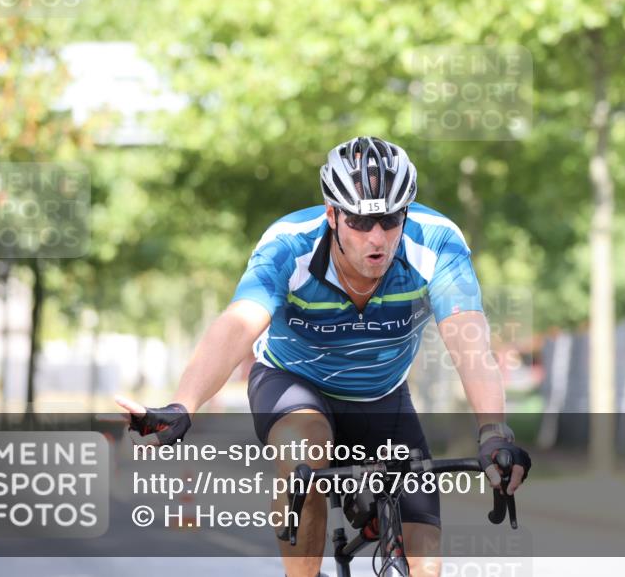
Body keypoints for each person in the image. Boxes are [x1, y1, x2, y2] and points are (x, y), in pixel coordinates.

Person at [116, 136, 531, 577]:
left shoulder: (437, 244)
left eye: (391, 220)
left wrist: (493, 432)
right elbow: (238, 324)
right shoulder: (289, 245)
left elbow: (470, 344)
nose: (378, 237)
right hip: (293, 382)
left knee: (426, 561)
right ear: (332, 215)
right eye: (359, 221)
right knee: (305, 451)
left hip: (381, 394)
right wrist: (185, 404)